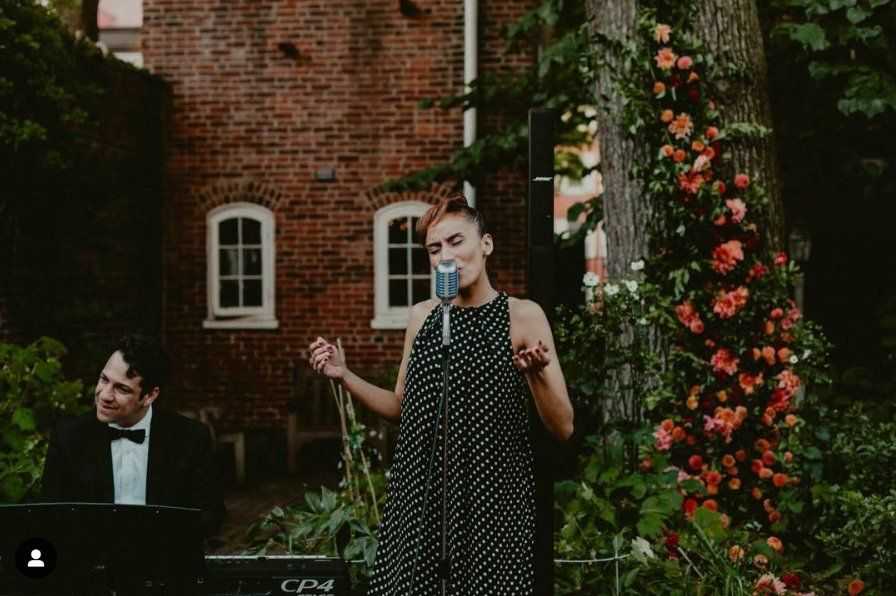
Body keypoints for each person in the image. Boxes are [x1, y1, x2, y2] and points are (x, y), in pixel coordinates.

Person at [308, 194, 574, 595]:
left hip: (492, 499)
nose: (445, 256)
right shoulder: (423, 316)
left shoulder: (522, 316)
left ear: (485, 244)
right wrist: (344, 375)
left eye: (456, 241)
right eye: (434, 248)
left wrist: (536, 375)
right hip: (422, 495)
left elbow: (563, 427)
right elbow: (402, 407)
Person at [41, 334, 224, 536]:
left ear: (150, 396)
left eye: (122, 389)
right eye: (104, 379)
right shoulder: (69, 436)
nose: (105, 395)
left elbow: (211, 515)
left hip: (163, 553)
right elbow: (51, 517)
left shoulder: (190, 437)